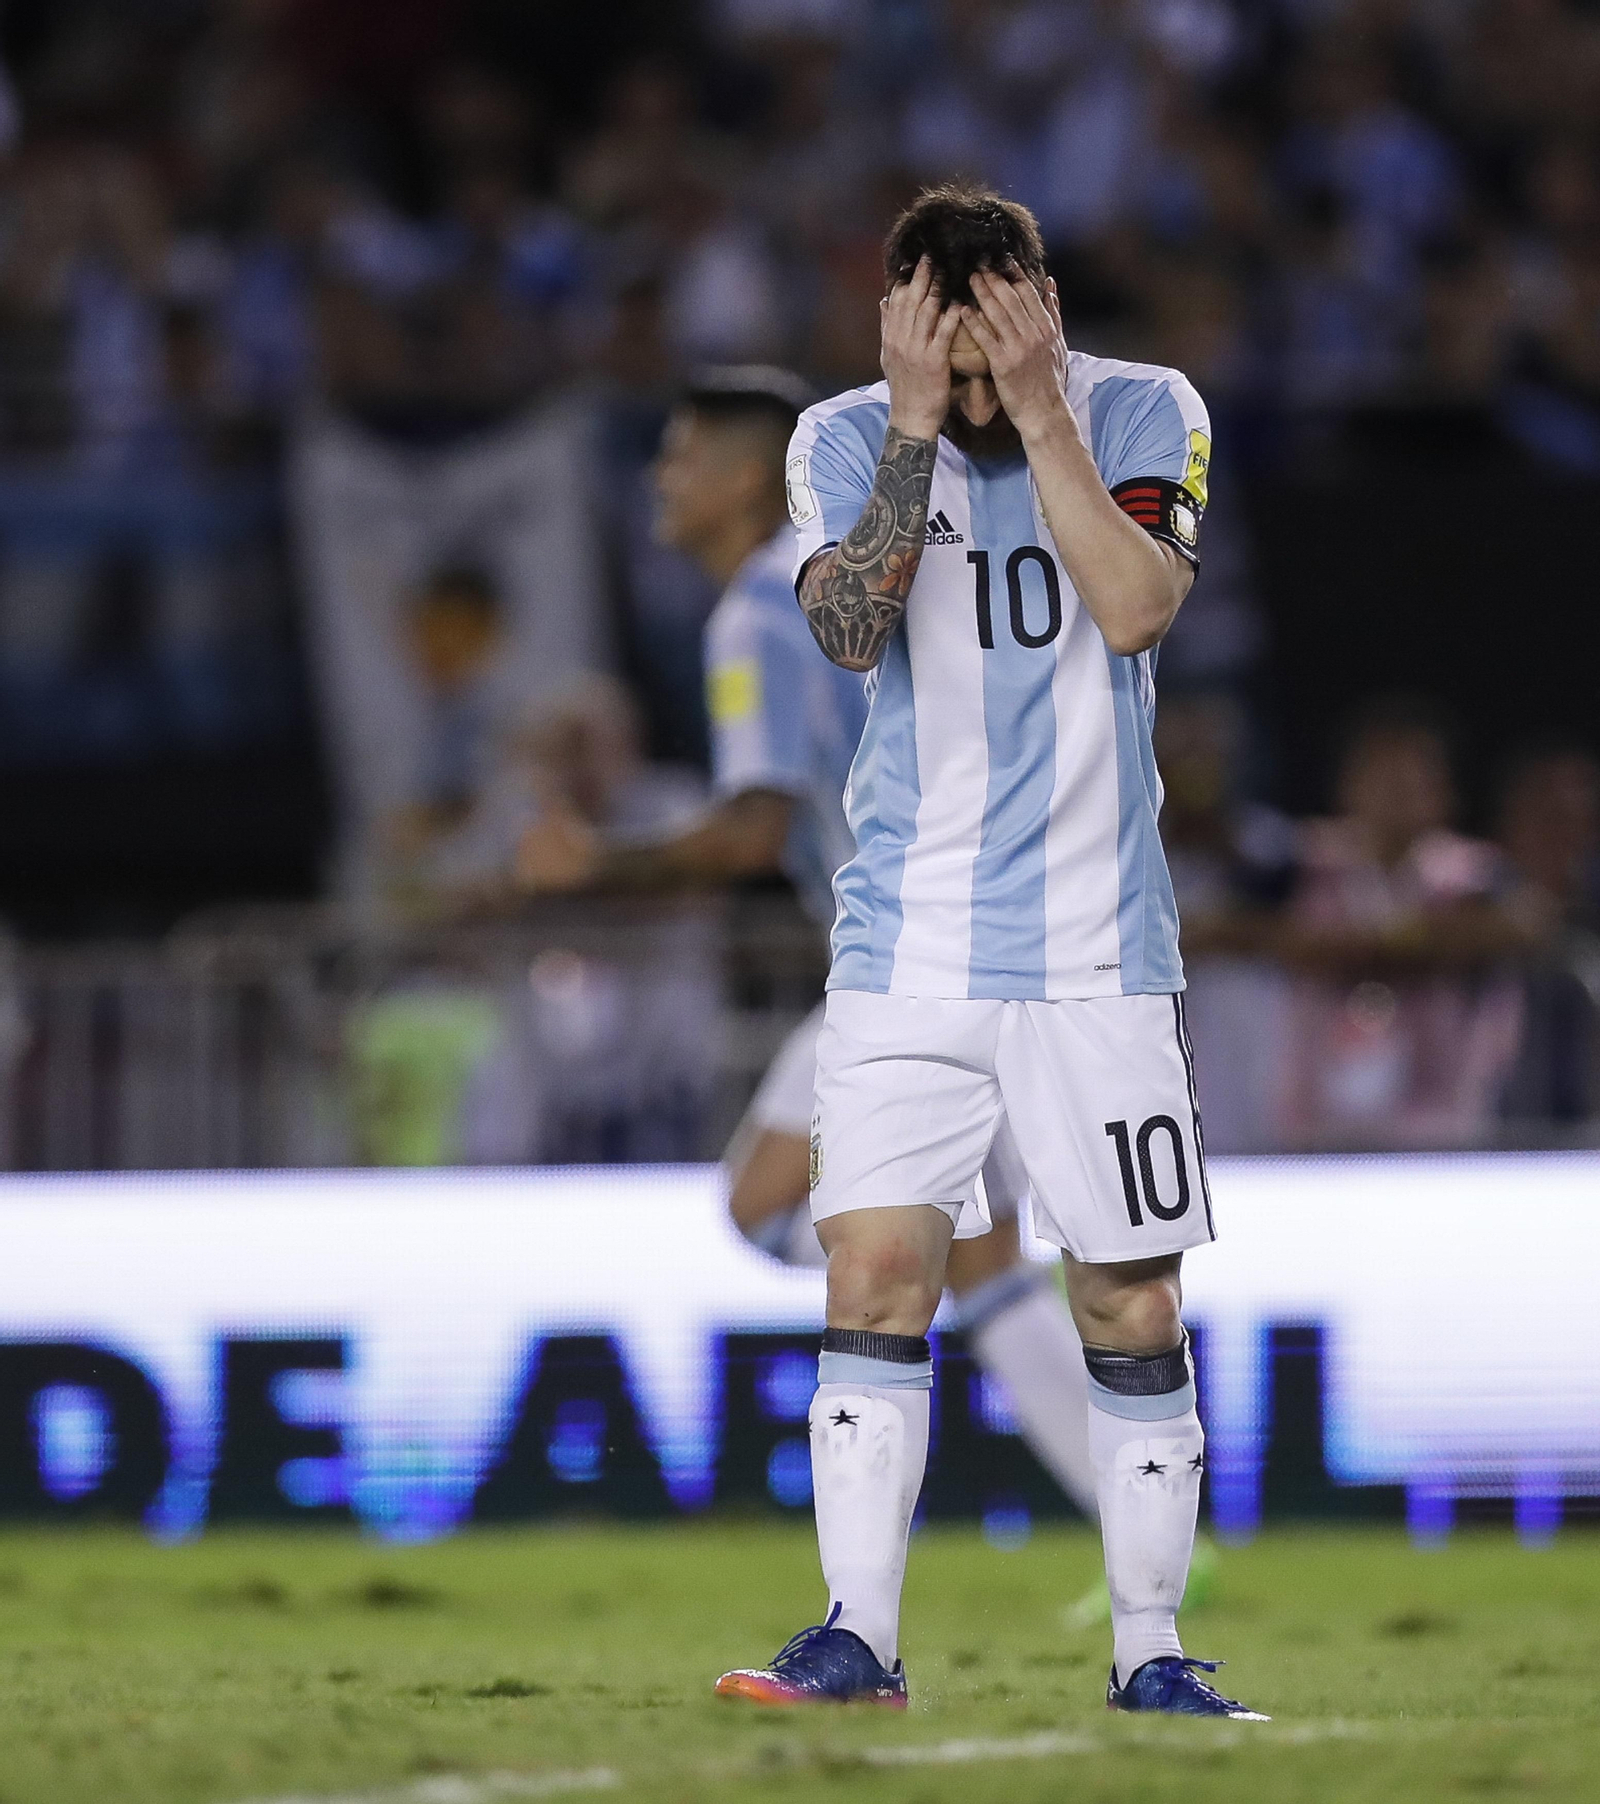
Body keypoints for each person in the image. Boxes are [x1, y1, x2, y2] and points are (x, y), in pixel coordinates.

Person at [714, 183, 1264, 1720]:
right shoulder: (841, 436)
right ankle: (855, 1643)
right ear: (900, 326)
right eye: (943, 366)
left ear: (1040, 308)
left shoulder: (1148, 410)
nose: (970, 400)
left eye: (989, 363)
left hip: (1099, 945)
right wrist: (909, 423)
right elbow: (844, 632)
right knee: (876, 1269)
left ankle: (1153, 1653)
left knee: (1131, 1298)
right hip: (910, 942)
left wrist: (1038, 411)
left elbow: (1140, 606)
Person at [515, 364, 1100, 1522]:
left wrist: (595, 863)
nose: (658, 478)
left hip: (909, 960)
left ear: (743, 479)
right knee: (977, 1261)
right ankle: (1147, 1522)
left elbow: (751, 828)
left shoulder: (757, 611)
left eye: (680, 455)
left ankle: (912, 1339)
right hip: (986, 936)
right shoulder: (851, 576)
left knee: (768, 1209)